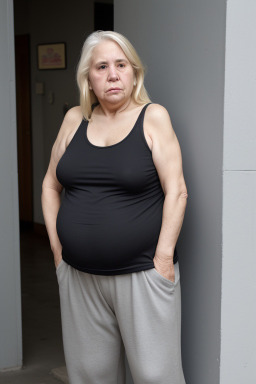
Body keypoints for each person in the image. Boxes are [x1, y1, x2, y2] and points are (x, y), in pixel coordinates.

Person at [41, 30, 188, 384]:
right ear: (88, 79)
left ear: (134, 73)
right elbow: (50, 184)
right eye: (101, 67)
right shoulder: (75, 119)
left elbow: (177, 191)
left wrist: (164, 259)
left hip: (141, 273)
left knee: (156, 377)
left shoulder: (152, 117)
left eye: (121, 65)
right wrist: (58, 251)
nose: (112, 74)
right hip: (79, 275)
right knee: (90, 375)